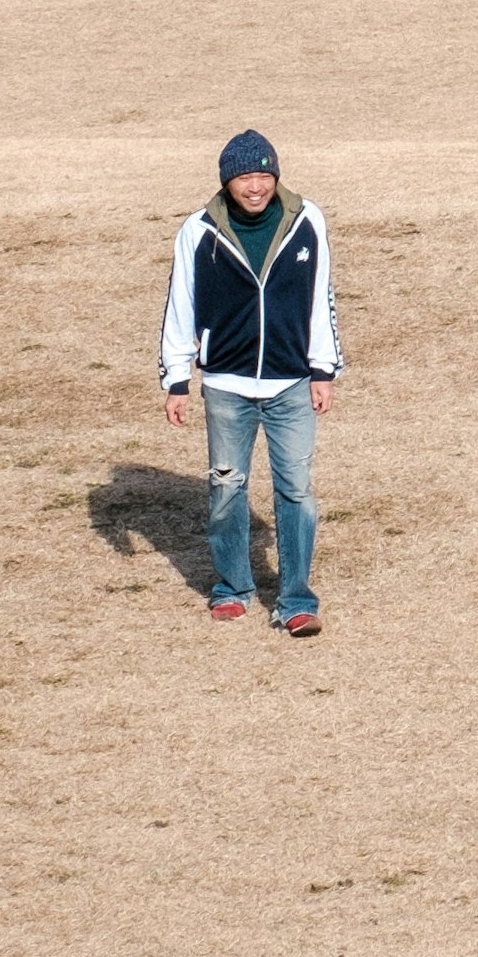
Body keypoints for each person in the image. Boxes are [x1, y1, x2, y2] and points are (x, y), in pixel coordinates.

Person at [160, 128, 342, 634]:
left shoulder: (308, 221)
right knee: (226, 488)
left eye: (263, 175)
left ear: (276, 176)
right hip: (226, 384)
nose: (255, 186)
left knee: (297, 491)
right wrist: (177, 378)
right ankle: (233, 588)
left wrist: (323, 369)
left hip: (291, 384)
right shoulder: (198, 231)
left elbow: (320, 297)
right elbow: (181, 304)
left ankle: (296, 600)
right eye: (245, 177)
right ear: (227, 182)